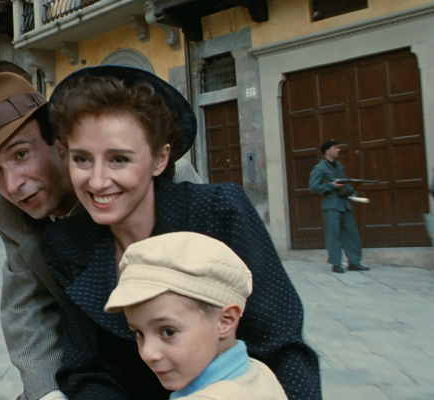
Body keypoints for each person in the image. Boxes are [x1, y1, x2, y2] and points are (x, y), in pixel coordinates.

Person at [41, 65, 321, 400]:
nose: (98, 181)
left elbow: (281, 345)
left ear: (160, 159)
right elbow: (85, 369)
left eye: (119, 159)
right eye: (82, 159)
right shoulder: (66, 245)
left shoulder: (219, 213)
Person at [0, 72, 202, 400]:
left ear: (60, 142)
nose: (12, 185)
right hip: (91, 368)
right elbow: (27, 312)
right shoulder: (7, 213)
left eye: (21, 154)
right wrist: (49, 394)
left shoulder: (170, 179)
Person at [104, 231, 288, 400]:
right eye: (139, 333)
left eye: (168, 331)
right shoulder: (258, 372)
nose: (147, 353)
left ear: (226, 320)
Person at [309, 139, 370, 274]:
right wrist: (331, 186)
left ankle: (354, 262)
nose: (338, 150)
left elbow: (345, 182)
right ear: (327, 151)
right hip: (331, 205)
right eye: (335, 148)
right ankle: (336, 264)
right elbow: (313, 187)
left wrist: (352, 192)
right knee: (333, 236)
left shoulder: (338, 165)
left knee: (352, 234)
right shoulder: (320, 168)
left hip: (344, 204)